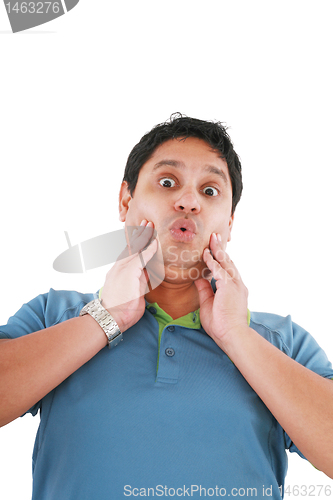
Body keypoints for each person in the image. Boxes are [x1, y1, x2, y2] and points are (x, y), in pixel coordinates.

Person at [1, 114, 333, 500]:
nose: (189, 201)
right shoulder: (52, 315)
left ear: (228, 223)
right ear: (126, 201)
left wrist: (236, 337)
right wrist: (105, 319)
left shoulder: (282, 343)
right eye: (167, 182)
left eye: (210, 191)